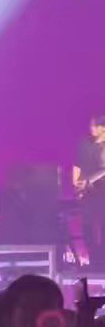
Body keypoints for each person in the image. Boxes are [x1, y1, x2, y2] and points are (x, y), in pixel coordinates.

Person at [73, 114, 105, 266]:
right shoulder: (84, 144)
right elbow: (77, 164)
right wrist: (76, 183)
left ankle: (102, 260)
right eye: (91, 125)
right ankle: (94, 258)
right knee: (87, 225)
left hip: (102, 193)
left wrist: (90, 181)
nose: (91, 128)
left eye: (95, 126)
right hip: (87, 193)